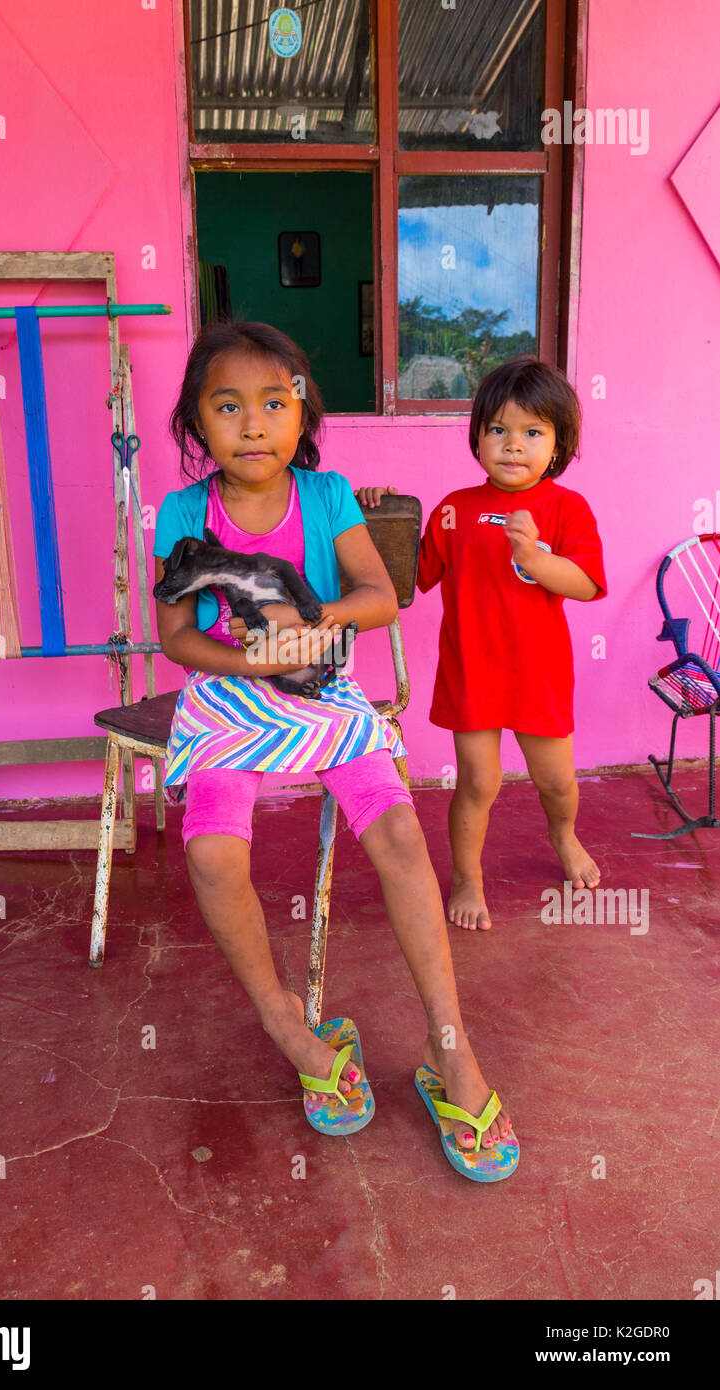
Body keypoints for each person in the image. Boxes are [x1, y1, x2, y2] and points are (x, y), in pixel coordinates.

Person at [152, 320, 518, 1179]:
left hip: (320, 686)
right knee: (211, 851)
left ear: (300, 410)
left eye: (272, 404)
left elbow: (379, 596)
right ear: (198, 425)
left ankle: (448, 1046)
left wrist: (309, 628)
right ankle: (292, 1028)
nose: (251, 424)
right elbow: (173, 633)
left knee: (396, 835)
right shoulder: (181, 512)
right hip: (226, 694)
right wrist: (248, 658)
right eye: (227, 406)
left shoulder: (326, 496)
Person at [357, 355, 607, 933]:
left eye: (532, 432)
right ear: (477, 438)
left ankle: (564, 835)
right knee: (477, 782)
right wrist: (382, 520)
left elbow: (588, 583)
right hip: (472, 671)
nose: (513, 445)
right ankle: (468, 876)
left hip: (539, 675)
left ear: (558, 444)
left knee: (557, 781)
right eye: (498, 430)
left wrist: (536, 558)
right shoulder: (452, 510)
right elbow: (408, 580)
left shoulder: (567, 508)